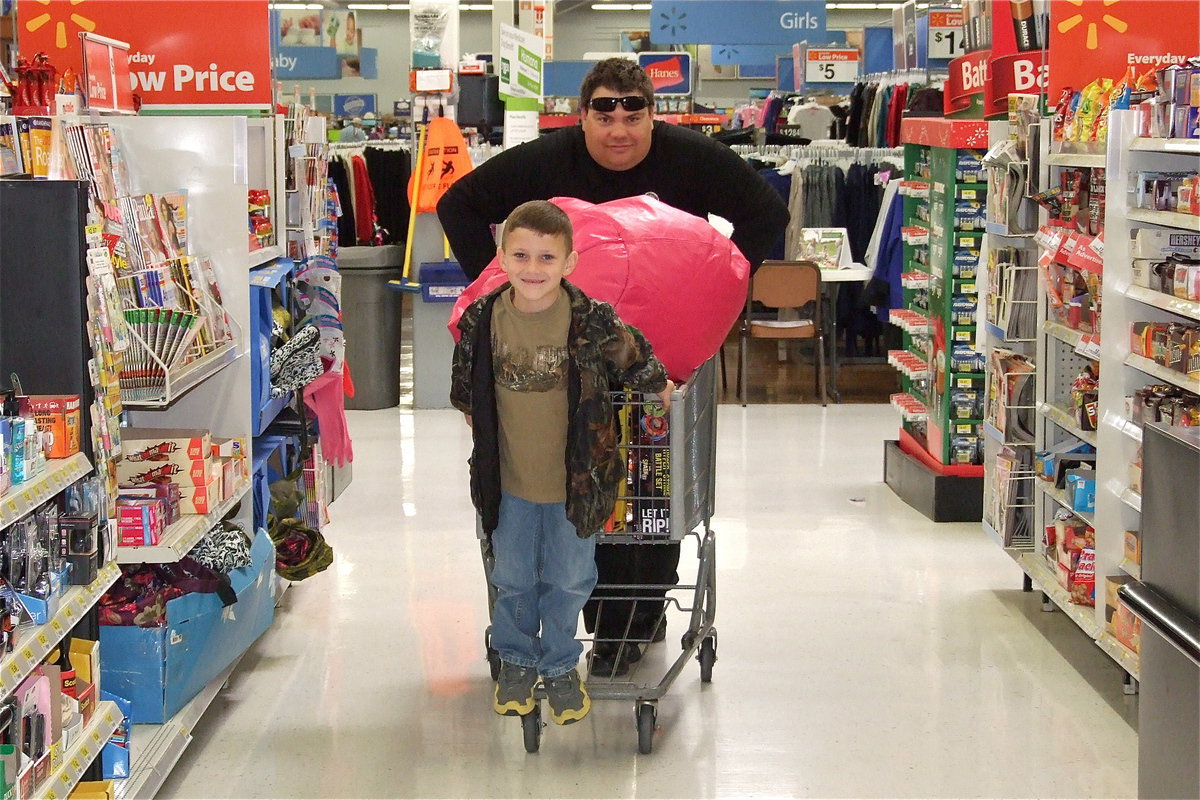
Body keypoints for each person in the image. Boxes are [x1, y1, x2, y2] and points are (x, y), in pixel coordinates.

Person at [439, 57, 789, 677]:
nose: (619, 127)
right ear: (583, 115)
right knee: (566, 479)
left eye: (634, 112)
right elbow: (460, 204)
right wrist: (500, 291)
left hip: (659, 363)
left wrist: (716, 288)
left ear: (654, 114)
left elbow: (766, 213)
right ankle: (588, 612)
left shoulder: (689, 156)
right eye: (604, 112)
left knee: (649, 484)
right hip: (562, 363)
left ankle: (635, 614)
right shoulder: (549, 160)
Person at [450, 200, 674, 724]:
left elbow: (636, 357)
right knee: (512, 576)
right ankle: (516, 660)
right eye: (521, 255)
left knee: (572, 578)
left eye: (547, 258)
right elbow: (466, 387)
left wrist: (661, 388)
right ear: (501, 258)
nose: (533, 269)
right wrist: (475, 418)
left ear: (569, 263)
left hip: (581, 480)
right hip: (507, 481)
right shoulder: (483, 319)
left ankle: (558, 663)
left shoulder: (592, 319)